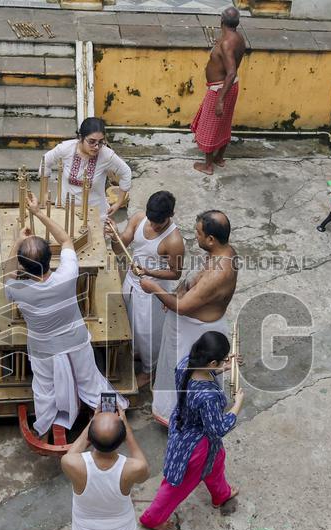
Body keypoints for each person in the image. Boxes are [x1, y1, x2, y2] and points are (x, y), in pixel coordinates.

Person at [3, 193, 127, 436]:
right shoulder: (68, 274)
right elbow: (67, 240)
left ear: (22, 266)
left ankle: (48, 423)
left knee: (44, 388)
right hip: (76, 342)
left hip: (43, 349)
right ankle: (115, 416)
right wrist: (39, 212)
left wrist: (17, 242)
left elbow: (7, 271)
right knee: (91, 381)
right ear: (51, 259)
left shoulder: (17, 289)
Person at [142, 210, 238, 425]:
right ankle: (168, 410)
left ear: (211, 239)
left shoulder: (219, 272)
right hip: (186, 324)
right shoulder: (222, 251)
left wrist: (154, 288)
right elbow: (193, 282)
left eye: (198, 233)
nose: (196, 236)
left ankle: (183, 419)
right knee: (173, 367)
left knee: (187, 376)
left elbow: (183, 307)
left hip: (197, 332)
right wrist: (178, 291)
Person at [140, 332, 243, 530]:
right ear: (211, 362)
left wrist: (224, 367)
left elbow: (203, 372)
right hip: (197, 445)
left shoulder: (186, 363)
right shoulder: (209, 397)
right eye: (221, 361)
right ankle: (152, 519)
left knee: (217, 460)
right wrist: (237, 405)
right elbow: (217, 429)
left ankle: (221, 494)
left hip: (183, 424)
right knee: (178, 485)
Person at [105, 191, 185, 388]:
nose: (154, 225)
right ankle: (139, 351)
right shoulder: (139, 219)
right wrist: (115, 235)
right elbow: (118, 249)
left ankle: (150, 370)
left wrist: (149, 272)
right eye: (152, 220)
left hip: (153, 289)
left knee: (148, 332)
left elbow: (176, 273)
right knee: (130, 322)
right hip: (132, 283)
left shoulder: (174, 241)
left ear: (170, 215)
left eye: (159, 222)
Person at [41, 117, 132, 222]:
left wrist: (118, 203)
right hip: (65, 208)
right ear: (81, 137)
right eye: (92, 141)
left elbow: (126, 172)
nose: (96, 147)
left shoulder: (106, 155)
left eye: (101, 142)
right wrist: (44, 193)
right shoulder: (66, 148)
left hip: (95, 212)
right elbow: (45, 161)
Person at [191, 7, 246, 175]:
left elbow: (231, 72)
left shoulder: (227, 43)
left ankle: (207, 166)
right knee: (223, 124)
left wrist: (220, 99)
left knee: (210, 126)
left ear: (221, 20)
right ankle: (219, 158)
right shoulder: (237, 37)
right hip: (228, 87)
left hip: (220, 89)